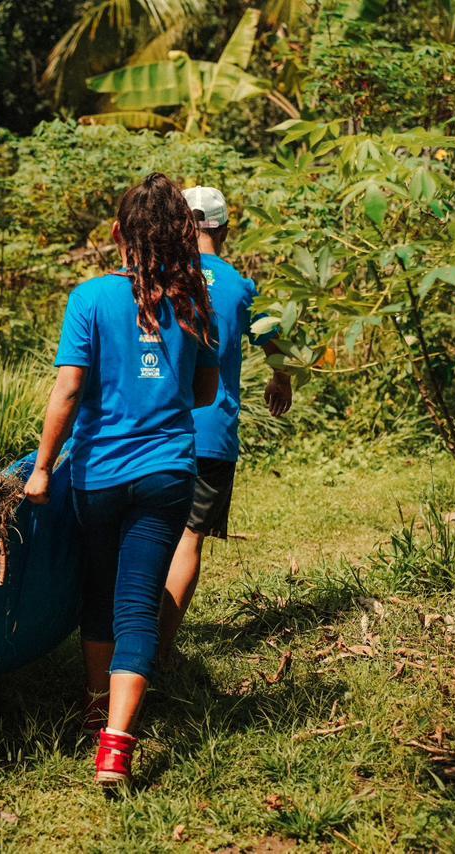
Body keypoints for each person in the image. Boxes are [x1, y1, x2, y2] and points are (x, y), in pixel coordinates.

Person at [24, 173, 219, 788]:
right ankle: (116, 744)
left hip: (99, 474)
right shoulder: (193, 301)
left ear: (117, 234)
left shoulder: (89, 298)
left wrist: (41, 467)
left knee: (101, 594)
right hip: (166, 472)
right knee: (139, 602)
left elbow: (70, 389)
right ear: (182, 233)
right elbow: (207, 391)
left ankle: (94, 709)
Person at [157, 186, 293, 665]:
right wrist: (281, 379)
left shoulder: (158, 278)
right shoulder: (242, 287)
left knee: (146, 533)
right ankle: (160, 648)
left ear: (182, 227)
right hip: (213, 430)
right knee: (189, 537)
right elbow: (277, 349)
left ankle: (124, 639)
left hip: (154, 427)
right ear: (224, 230)